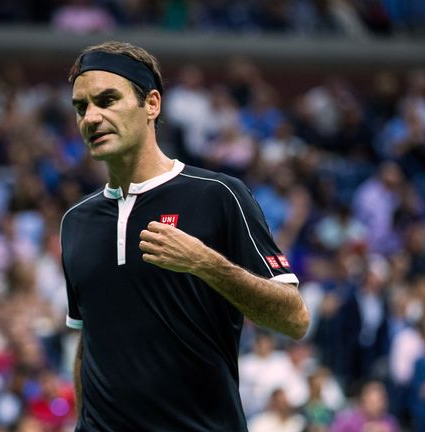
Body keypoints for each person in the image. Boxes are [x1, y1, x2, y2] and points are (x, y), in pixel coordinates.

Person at [60, 41, 310, 431]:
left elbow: (294, 318)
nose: (91, 118)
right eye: (81, 107)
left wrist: (206, 264)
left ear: (152, 104)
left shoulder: (218, 195)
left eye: (107, 100)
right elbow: (88, 340)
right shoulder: (76, 221)